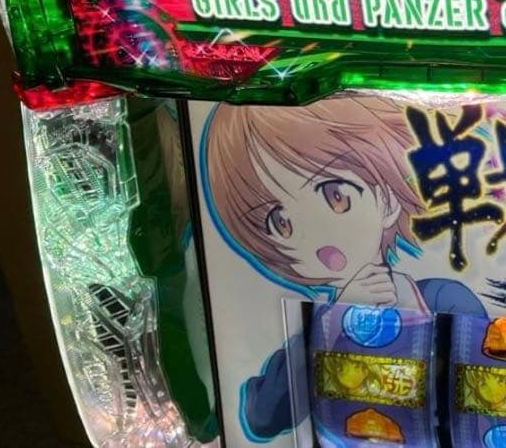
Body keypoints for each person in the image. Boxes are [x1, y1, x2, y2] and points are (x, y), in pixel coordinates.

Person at [205, 95, 484, 440]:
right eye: (281, 222)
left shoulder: (444, 297)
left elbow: (483, 403)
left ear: (386, 200)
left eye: (335, 195)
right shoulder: (316, 325)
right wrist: (335, 317)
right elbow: (262, 416)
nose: (314, 235)